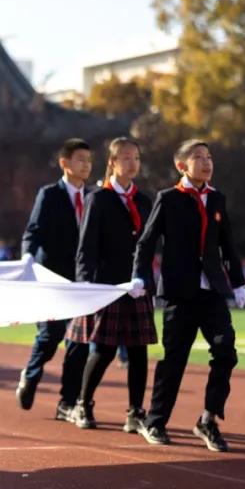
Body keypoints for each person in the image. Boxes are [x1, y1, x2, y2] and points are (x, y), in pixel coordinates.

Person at [132, 139, 245, 452]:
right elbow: (147, 241)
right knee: (174, 360)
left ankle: (208, 420)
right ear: (182, 166)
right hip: (179, 294)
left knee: (226, 353)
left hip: (212, 292)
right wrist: (140, 276)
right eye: (199, 157)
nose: (207, 162)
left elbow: (228, 246)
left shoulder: (217, 199)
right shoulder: (168, 198)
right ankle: (155, 421)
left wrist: (238, 283)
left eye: (209, 157)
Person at [65, 138, 156, 432]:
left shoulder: (145, 201)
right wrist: (86, 288)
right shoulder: (98, 199)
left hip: (137, 287)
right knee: (103, 350)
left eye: (136, 158)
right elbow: (86, 248)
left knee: (139, 351)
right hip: (106, 287)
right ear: (113, 163)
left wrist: (145, 278)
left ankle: (135, 412)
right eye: (126, 158)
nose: (133, 163)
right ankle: (83, 404)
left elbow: (150, 246)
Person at [14, 139, 93, 419]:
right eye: (80, 159)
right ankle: (31, 375)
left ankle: (67, 402)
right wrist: (27, 258)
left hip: (82, 282)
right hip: (51, 278)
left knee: (78, 342)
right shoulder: (49, 195)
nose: (86, 165)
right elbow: (33, 232)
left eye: (89, 160)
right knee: (50, 336)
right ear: (65, 163)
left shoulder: (95, 196)